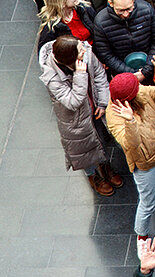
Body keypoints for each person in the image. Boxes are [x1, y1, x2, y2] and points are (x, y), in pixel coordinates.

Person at [105, 60, 155, 238]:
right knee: (148, 203)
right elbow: (130, 144)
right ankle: (141, 236)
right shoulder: (113, 116)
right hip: (144, 162)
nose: (140, 87)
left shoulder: (139, 91)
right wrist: (130, 121)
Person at [39, 35, 116, 196]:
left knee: (101, 139)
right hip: (75, 120)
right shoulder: (52, 77)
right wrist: (80, 75)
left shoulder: (85, 52)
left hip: (94, 108)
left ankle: (104, 166)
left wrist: (103, 102)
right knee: (82, 149)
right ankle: (93, 175)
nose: (85, 51)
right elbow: (73, 101)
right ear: (71, 58)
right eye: (80, 51)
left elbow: (99, 75)